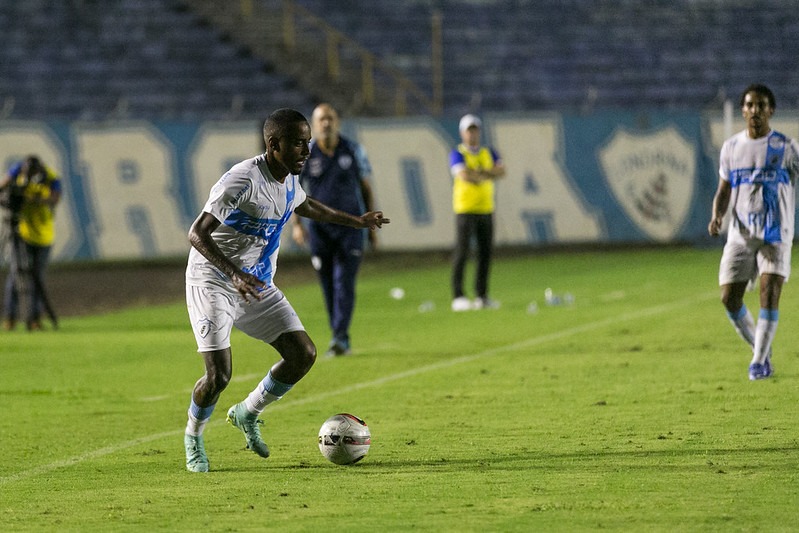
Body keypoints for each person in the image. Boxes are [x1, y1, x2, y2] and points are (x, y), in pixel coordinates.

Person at [183, 108, 389, 473]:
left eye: (307, 143)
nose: (306, 151)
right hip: (214, 281)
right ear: (273, 144)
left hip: (256, 283)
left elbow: (306, 205)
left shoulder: (289, 178)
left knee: (303, 353)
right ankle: (194, 437)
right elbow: (197, 233)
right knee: (219, 376)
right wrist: (233, 275)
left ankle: (248, 412)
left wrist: (356, 221)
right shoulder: (241, 180)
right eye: (298, 143)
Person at [708, 83, 799, 381]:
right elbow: (724, 189)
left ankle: (759, 361)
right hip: (741, 234)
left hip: (776, 233)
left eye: (761, 106)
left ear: (771, 111)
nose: (755, 111)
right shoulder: (732, 148)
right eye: (750, 105)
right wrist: (717, 216)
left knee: (768, 292)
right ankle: (762, 348)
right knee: (729, 298)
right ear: (743, 111)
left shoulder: (787, 148)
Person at [292, 103, 378, 356]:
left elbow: (366, 187)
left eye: (330, 118)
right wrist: (297, 225)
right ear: (314, 124)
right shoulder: (306, 153)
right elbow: (293, 191)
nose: (326, 123)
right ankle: (337, 333)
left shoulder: (352, 150)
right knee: (328, 284)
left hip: (350, 228)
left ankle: (340, 335)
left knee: (344, 282)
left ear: (337, 121)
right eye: (321, 119)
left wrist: (370, 225)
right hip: (319, 230)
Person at [448, 113, 505, 312]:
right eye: (469, 130)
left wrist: (478, 174)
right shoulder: (458, 153)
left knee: (485, 253)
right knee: (462, 252)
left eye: (475, 129)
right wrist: (486, 173)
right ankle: (458, 295)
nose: (472, 134)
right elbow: (464, 175)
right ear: (462, 133)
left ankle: (482, 295)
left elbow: (502, 171)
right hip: (465, 209)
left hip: (486, 208)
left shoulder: (488, 152)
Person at [0, 155, 61, 331]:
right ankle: (10, 318)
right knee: (16, 273)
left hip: (43, 235)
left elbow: (55, 199)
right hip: (23, 233)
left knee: (37, 277)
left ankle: (34, 318)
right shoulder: (17, 169)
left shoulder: (51, 178)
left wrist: (32, 200)